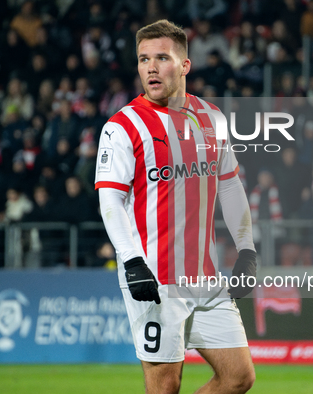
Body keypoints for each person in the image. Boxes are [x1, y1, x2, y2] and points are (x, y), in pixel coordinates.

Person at [95, 20, 256, 394]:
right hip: (155, 277)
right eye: (143, 59)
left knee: (239, 377)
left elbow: (230, 186)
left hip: (207, 276)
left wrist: (246, 247)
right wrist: (132, 260)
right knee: (165, 387)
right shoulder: (122, 127)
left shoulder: (212, 118)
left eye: (161, 58)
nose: (150, 67)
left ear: (185, 65)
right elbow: (110, 200)